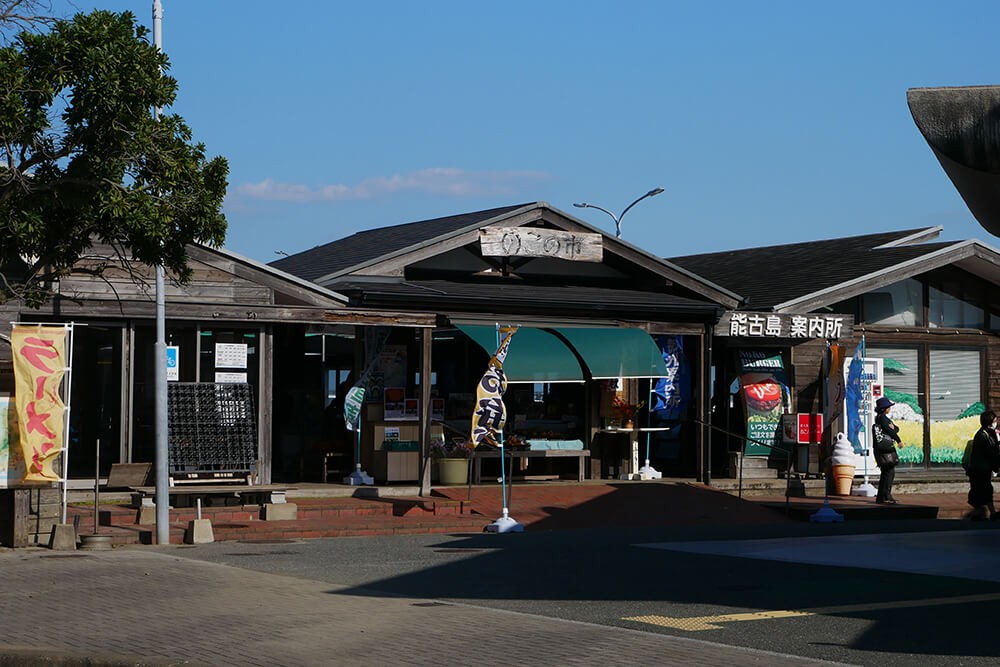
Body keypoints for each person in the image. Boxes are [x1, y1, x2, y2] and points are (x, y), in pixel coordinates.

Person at [966, 410, 1000, 520]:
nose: (996, 422)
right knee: (982, 489)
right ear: (989, 422)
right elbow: (990, 452)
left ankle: (989, 512)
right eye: (995, 421)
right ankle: (981, 511)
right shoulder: (982, 435)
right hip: (979, 469)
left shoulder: (989, 434)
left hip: (985, 468)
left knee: (985, 490)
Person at [872, 396, 901, 504]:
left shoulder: (879, 418)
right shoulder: (883, 418)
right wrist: (898, 440)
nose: (890, 408)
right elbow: (891, 430)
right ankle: (886, 496)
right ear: (884, 408)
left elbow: (896, 428)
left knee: (886, 472)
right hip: (885, 449)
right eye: (889, 407)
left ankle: (881, 497)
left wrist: (894, 428)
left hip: (881, 449)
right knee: (889, 472)